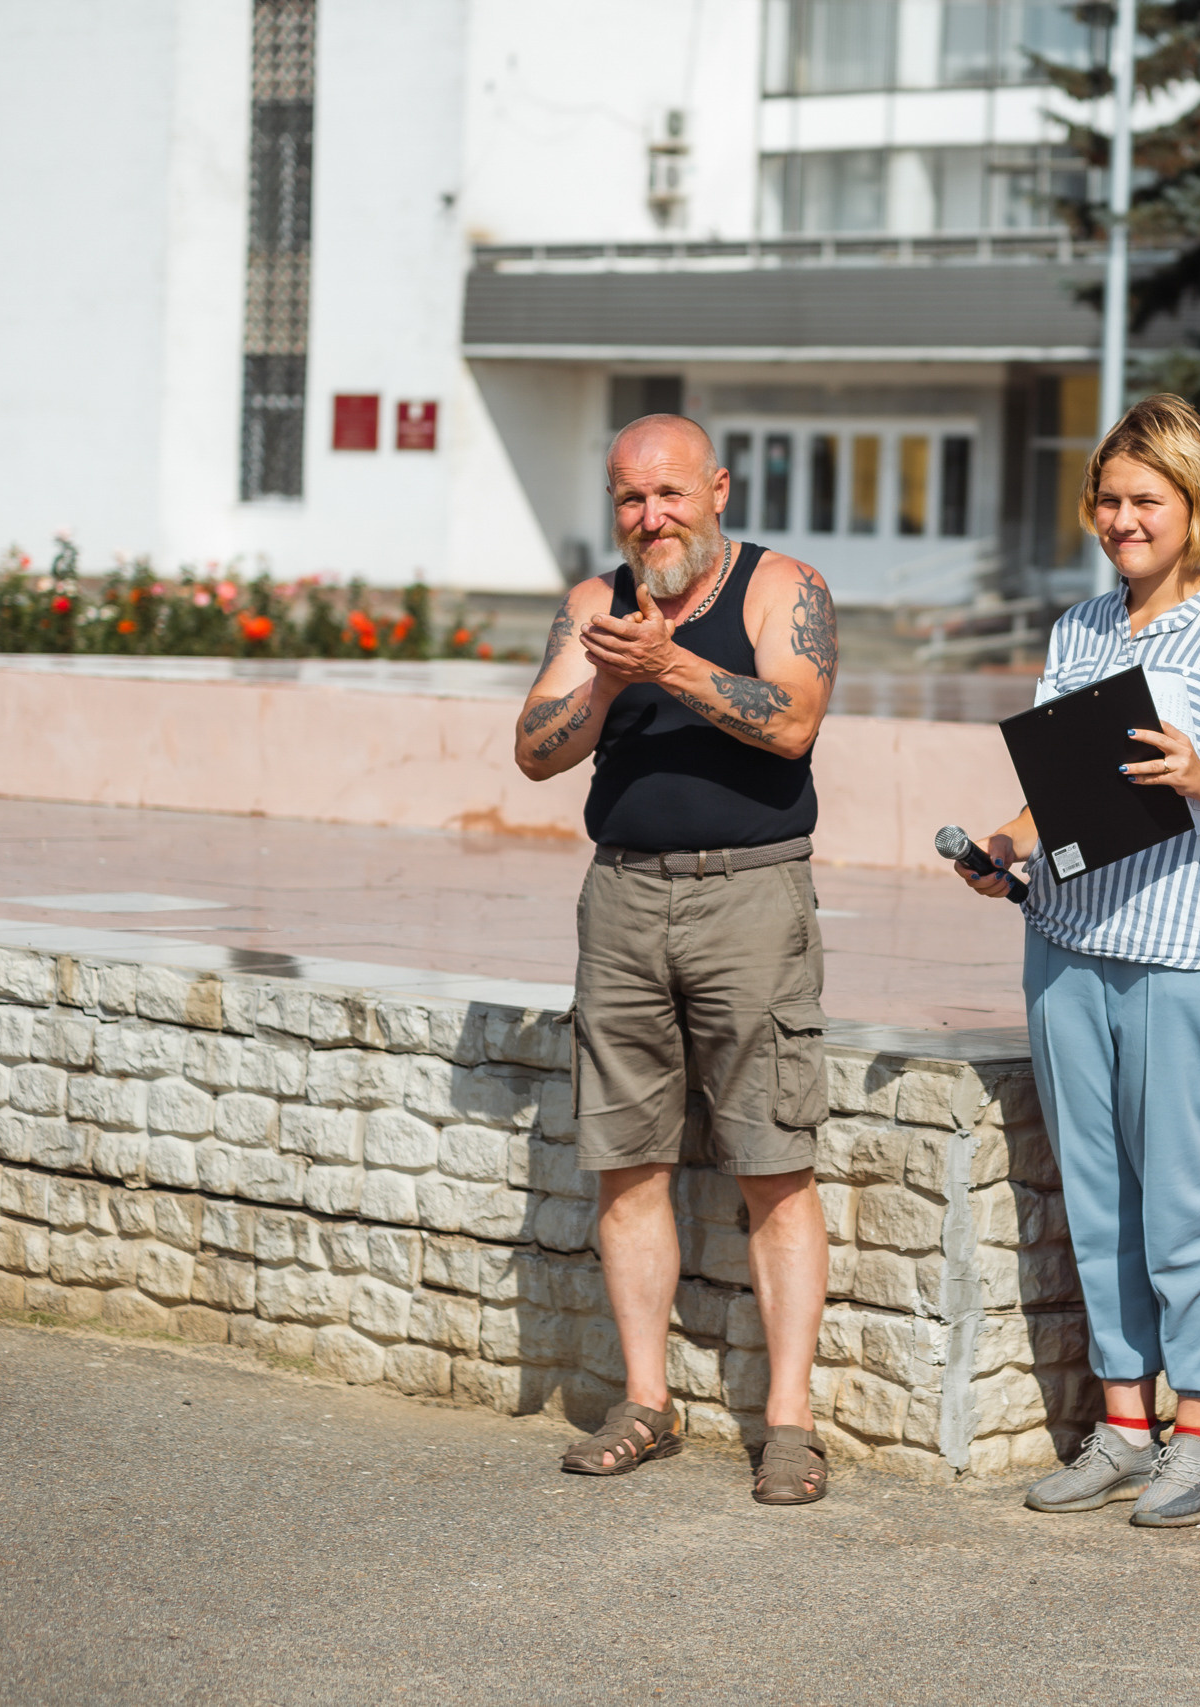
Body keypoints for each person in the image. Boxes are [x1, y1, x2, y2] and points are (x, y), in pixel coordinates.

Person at [956, 394, 1200, 1528]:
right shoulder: (1078, 630)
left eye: (1143, 499)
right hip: (1064, 943)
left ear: (1192, 504)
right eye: (1107, 499)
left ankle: (1198, 1437)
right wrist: (1005, 843)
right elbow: (1060, 784)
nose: (1121, 518)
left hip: (1187, 958)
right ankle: (1120, 1426)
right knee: (1097, 1200)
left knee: (1179, 1202)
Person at [515, 412, 841, 1506]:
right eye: (628, 499)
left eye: (669, 494)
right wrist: (610, 678)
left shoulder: (777, 587)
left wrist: (671, 664)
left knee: (774, 1163)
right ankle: (645, 1402)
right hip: (621, 897)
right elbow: (533, 752)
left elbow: (792, 723)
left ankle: (789, 1426)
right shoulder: (593, 606)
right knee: (625, 1161)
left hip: (749, 897)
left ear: (718, 489)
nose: (650, 517)